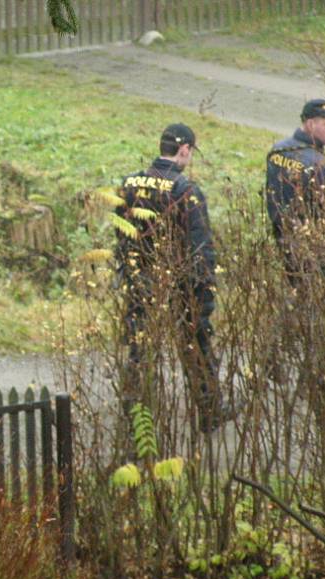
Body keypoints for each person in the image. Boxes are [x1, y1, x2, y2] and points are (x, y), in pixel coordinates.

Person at [115, 123, 229, 434]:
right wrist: (204, 294)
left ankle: (136, 414)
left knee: (141, 346)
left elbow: (121, 236)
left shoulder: (128, 184)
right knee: (195, 344)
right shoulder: (185, 191)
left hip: (140, 277)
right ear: (184, 150)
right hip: (179, 282)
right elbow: (199, 246)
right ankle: (210, 410)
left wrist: (129, 273)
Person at [265, 98, 325, 285]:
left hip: (284, 237)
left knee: (297, 290)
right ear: (310, 124)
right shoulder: (319, 164)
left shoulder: (277, 150)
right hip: (315, 245)